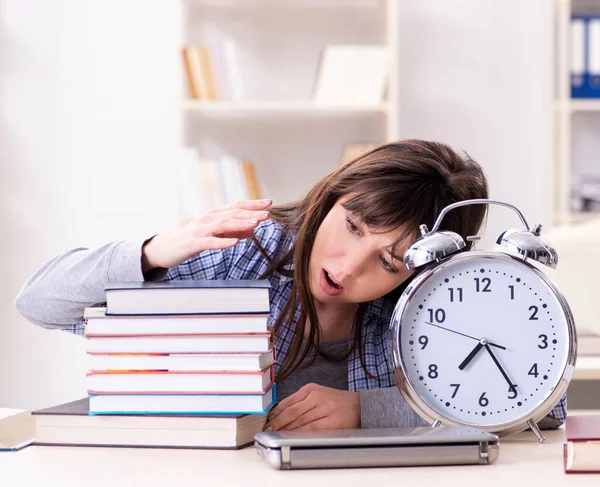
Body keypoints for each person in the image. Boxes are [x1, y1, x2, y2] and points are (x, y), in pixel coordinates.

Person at [15, 139, 566, 431]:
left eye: (390, 263)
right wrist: (157, 250)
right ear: (331, 198)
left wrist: (365, 409)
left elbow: (544, 407)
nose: (349, 267)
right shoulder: (245, 254)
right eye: (351, 226)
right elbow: (39, 302)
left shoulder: (427, 308)